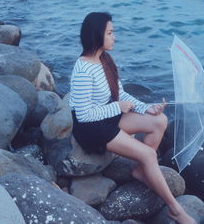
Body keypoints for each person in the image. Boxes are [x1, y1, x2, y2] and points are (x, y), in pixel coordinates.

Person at [69, 12, 196, 224]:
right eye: (110, 33)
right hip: (92, 128)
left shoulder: (105, 59)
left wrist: (145, 107)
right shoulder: (83, 69)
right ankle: (175, 209)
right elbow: (83, 115)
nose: (114, 37)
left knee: (160, 121)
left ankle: (140, 171)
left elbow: (120, 93)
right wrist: (116, 107)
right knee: (148, 154)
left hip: (108, 116)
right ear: (96, 35)